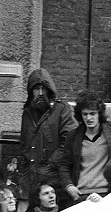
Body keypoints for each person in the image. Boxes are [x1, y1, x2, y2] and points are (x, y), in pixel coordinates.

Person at [18, 68, 76, 203]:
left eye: (43, 89)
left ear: (49, 90)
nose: (40, 93)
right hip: (29, 177)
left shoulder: (62, 109)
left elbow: (69, 141)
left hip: (52, 177)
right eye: (36, 89)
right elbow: (23, 143)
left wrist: (51, 163)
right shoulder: (27, 113)